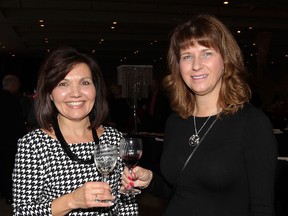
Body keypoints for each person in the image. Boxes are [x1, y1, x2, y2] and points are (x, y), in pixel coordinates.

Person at [121, 14, 278, 215]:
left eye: (206, 53)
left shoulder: (252, 123)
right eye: (187, 56)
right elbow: (181, 190)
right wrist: (150, 180)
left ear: (226, 61)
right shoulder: (176, 121)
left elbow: (262, 207)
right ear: (178, 66)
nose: (196, 65)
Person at [12, 46, 138, 215]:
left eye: (85, 83)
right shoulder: (34, 145)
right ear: (50, 93)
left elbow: (127, 203)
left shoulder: (113, 138)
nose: (76, 93)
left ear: (96, 89)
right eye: (63, 84)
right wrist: (73, 200)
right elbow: (22, 211)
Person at [0, 74, 27, 203]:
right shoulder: (12, 100)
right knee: (10, 168)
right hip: (10, 140)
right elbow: (18, 123)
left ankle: (2, 192)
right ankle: (10, 195)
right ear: (13, 85)